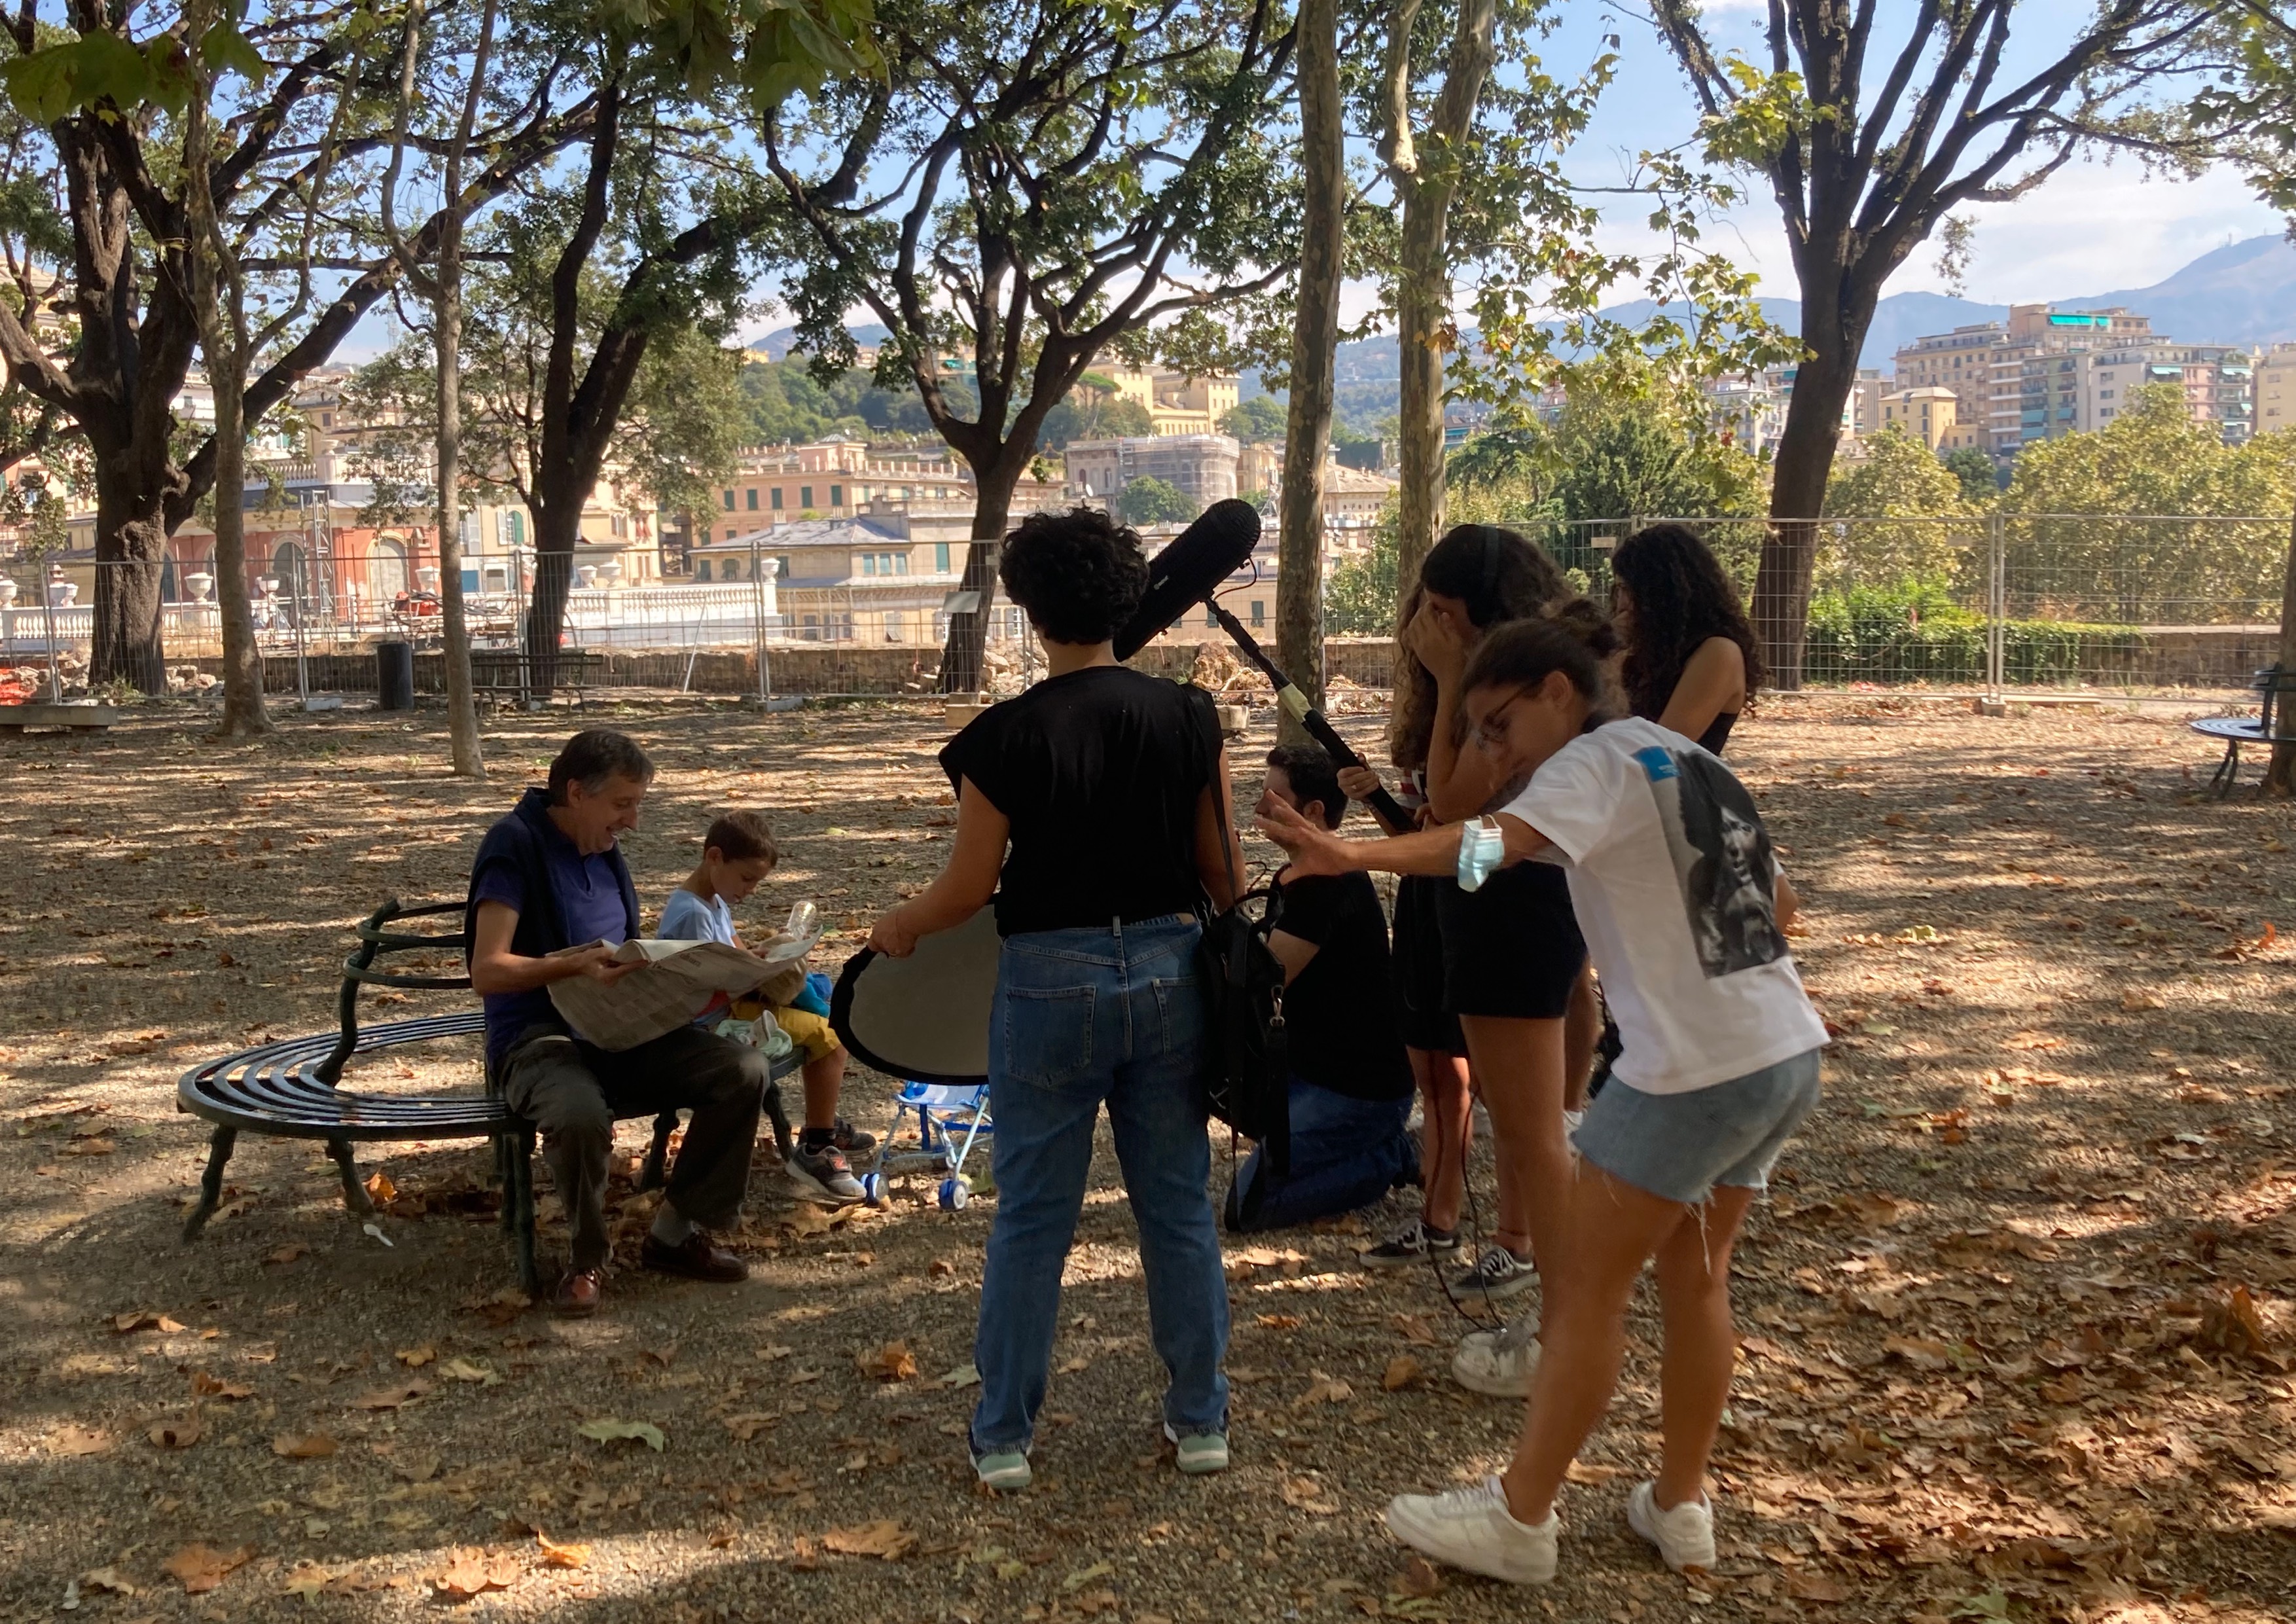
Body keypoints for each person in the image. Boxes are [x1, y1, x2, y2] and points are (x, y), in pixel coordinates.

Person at [1256, 617, 1824, 1587]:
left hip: (1688, 1072)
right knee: (1696, 1281)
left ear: (1561, 690)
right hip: (1782, 1051)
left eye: (1498, 725)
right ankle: (1680, 1504)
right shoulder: (1682, 755)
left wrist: (1355, 858)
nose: (1492, 750)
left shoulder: (1589, 762)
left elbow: (1487, 852)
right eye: (1478, 732)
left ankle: (1522, 1515)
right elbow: (1784, 907)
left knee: (1586, 1294)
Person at [866, 507, 1241, 1492]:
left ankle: (1004, 1438)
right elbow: (1223, 871)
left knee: (1033, 1216)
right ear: (1129, 594)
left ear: (1029, 610)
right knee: (1176, 1205)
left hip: (1048, 982)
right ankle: (1200, 1420)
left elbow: (967, 890)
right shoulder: (1192, 717)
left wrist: (898, 924)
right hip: (1170, 972)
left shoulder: (1000, 736)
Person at [1363, 530, 1602, 1352]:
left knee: (1531, 1128)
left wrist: (1449, 677)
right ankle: (1545, 1290)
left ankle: (1548, 1303)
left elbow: (1453, 800)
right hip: (1522, 899)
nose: (1428, 624)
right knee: (1535, 1124)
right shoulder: (1548, 673)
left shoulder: (1506, 678)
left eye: (1439, 609)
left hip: (1514, 902)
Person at [465, 730, 767, 1318]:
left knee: (744, 1068)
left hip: (619, 1029)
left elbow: (624, 947)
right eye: (623, 804)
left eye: (638, 803)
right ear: (577, 793)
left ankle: (675, 1232)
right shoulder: (513, 845)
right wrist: (570, 963)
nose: (633, 820)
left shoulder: (601, 848)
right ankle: (586, 1257)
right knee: (579, 1112)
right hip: (539, 1038)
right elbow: (487, 969)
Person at [1223, 744, 1418, 1233]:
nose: (1261, 806)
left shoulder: (1330, 884)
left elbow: (1263, 976)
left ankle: (1393, 1158)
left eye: (1273, 795)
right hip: (1309, 1072)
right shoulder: (1297, 876)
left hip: (1357, 1089)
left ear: (1313, 812)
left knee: (1249, 1207)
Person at [1347, 582, 1477, 1276]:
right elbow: (1418, 830)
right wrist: (1375, 802)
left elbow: (1461, 821)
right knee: (1427, 1068)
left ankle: (1457, 1219)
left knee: (1453, 1076)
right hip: (1423, 901)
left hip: (1470, 902)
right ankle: (1434, 1218)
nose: (1426, 636)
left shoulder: (1482, 701)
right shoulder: (1426, 711)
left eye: (1441, 617)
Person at [657, 810, 877, 1204]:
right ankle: (816, 1145)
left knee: (821, 1005)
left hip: (730, 1005)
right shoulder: (692, 914)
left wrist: (772, 955)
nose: (751, 890)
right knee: (831, 1035)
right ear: (714, 857)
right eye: (747, 879)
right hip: (713, 1021)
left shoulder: (712, 901)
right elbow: (712, 983)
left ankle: (821, 1122)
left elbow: (736, 953)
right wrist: (766, 976)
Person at [1607, 522, 1763, 754]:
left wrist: (1612, 663)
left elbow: (1662, 751)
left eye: (1632, 591)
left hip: (1672, 786)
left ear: (1665, 594)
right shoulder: (1649, 650)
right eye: (1619, 589)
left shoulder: (1718, 652)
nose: (1622, 604)